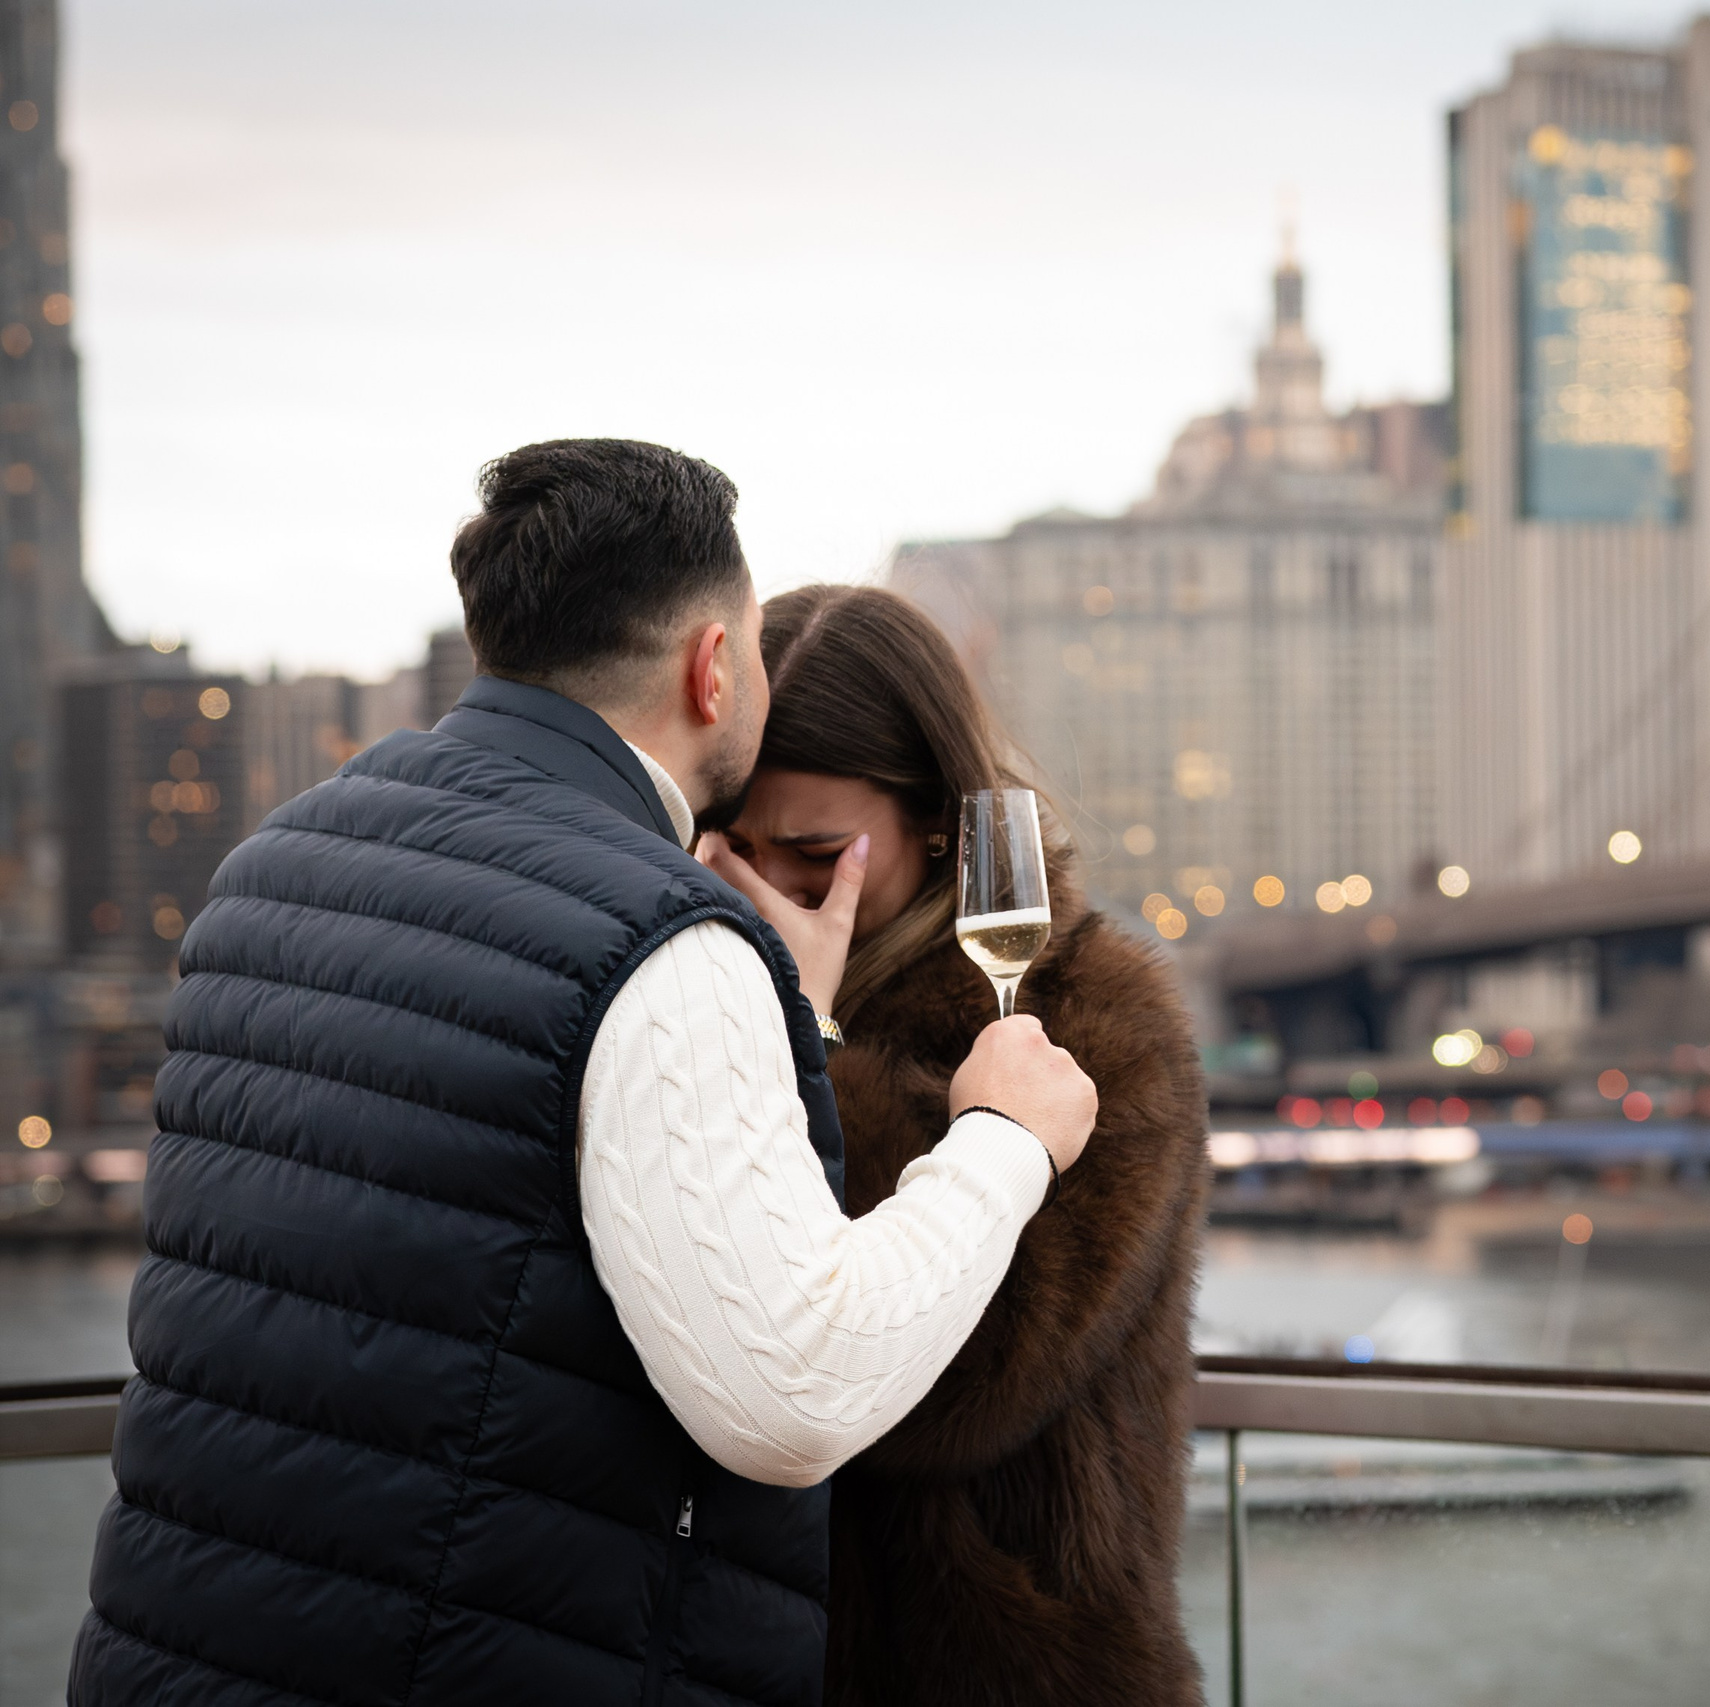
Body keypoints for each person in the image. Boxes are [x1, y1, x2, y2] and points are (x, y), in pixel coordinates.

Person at [70, 440, 1097, 1706]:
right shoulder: (661, 944)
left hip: (184, 1657)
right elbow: (792, 1393)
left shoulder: (268, 868)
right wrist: (1002, 1141)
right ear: (715, 669)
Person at [704, 585, 1208, 1707]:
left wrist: (812, 1044)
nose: (770, 892)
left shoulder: (1090, 1018)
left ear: (940, 817)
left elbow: (969, 1387)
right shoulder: (697, 995)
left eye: (815, 852)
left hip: (1020, 1670)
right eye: (731, 850)